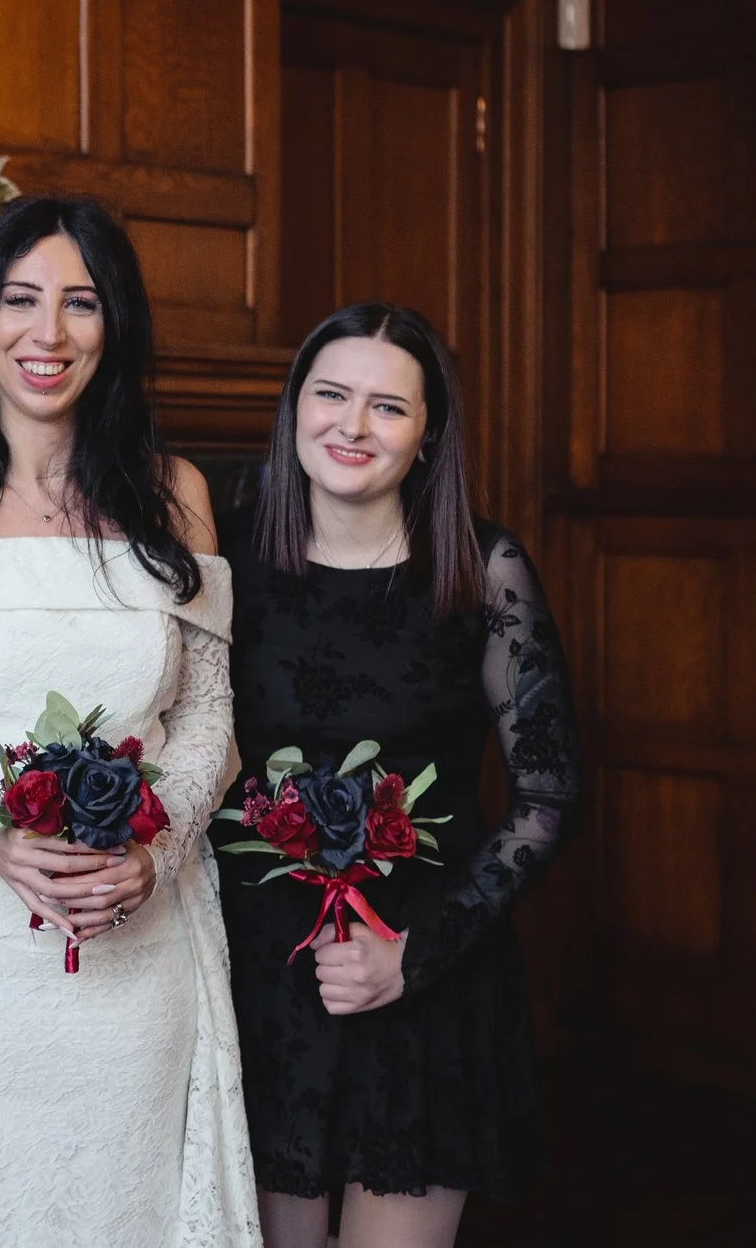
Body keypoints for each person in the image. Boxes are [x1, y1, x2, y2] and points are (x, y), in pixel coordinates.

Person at [0, 195, 263, 1248]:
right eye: (21, 299)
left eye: (81, 302)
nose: (49, 333)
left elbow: (212, 719)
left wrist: (154, 853)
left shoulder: (177, 494)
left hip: (145, 923)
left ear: (115, 326)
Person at [214, 302, 582, 1248]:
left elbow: (546, 795)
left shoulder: (481, 568)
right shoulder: (221, 555)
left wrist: (413, 952)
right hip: (259, 978)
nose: (352, 424)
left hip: (427, 981)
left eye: (388, 407)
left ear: (428, 435)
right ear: (295, 406)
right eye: (330, 394)